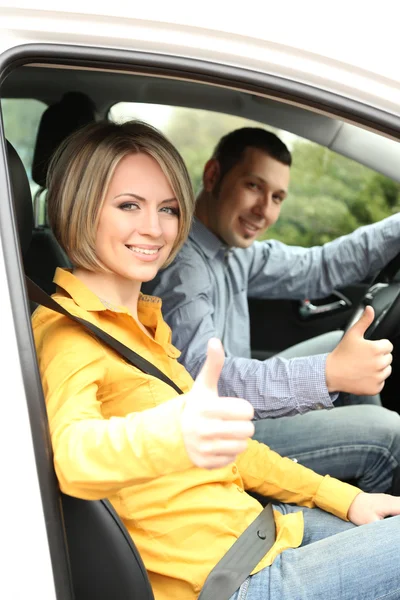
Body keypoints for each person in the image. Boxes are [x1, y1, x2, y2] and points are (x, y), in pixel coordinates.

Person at [32, 119, 400, 600]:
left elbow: (238, 451)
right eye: (129, 206)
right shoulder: (68, 335)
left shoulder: (141, 325)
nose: (155, 228)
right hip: (236, 582)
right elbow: (73, 456)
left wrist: (347, 499)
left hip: (265, 532)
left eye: (167, 209)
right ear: (81, 209)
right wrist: (174, 433)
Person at [144, 127, 400, 493]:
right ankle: (362, 533)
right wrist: (327, 374)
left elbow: (320, 267)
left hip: (238, 411)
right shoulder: (181, 267)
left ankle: (347, 471)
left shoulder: (232, 250)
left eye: (277, 197)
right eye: (253, 187)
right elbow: (207, 384)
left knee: (339, 341)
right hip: (221, 435)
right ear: (213, 175)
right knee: (389, 434)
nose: (264, 210)